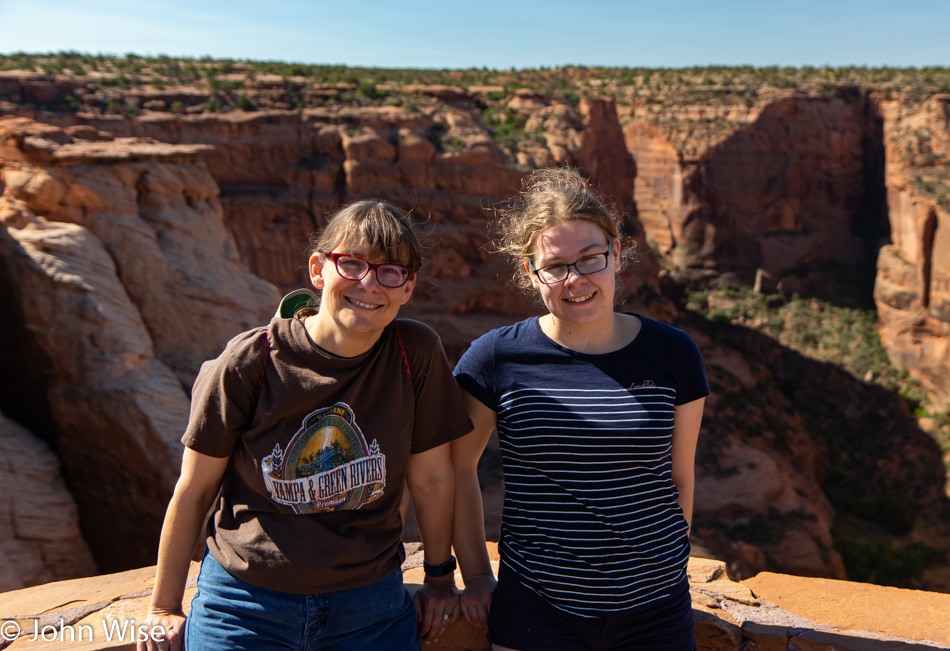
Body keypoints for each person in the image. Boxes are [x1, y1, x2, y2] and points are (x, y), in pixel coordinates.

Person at [138, 200, 473, 651]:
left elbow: (432, 479)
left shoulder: (415, 353)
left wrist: (438, 580)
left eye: (390, 271)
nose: (369, 284)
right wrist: (163, 608)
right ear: (319, 270)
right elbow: (194, 490)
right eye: (351, 264)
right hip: (244, 604)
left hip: (368, 606)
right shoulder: (249, 361)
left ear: (408, 287)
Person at [451, 168, 708, 651]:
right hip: (536, 609)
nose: (576, 280)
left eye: (590, 259)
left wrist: (662, 569)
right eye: (555, 266)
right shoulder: (495, 357)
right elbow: (456, 467)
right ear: (530, 271)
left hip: (656, 609)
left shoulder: (674, 353)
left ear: (615, 255)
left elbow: (681, 477)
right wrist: (477, 576)